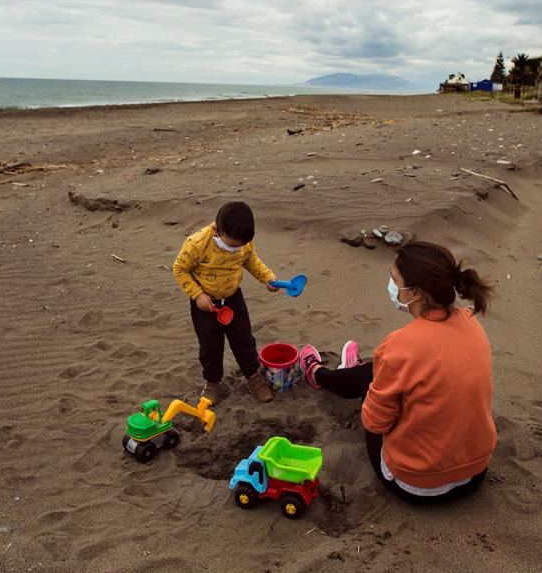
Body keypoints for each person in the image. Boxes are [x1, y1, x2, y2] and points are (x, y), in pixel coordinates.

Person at [299, 241, 496, 504]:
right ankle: (350, 372)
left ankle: (317, 373)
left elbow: (374, 422)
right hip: (474, 474)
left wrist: (372, 395)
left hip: (417, 485)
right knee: (381, 375)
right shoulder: (472, 323)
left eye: (394, 279)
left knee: (367, 379)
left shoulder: (400, 345)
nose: (391, 285)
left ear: (414, 293)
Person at [172, 201, 279, 405]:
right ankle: (212, 383)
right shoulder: (196, 243)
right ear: (216, 230)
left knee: (244, 341)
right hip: (205, 306)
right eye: (231, 245)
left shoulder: (243, 243)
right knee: (210, 347)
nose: (235, 249)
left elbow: (251, 260)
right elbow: (179, 269)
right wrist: (197, 295)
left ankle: (253, 379)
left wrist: (267, 278)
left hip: (233, 299)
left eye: (238, 246)